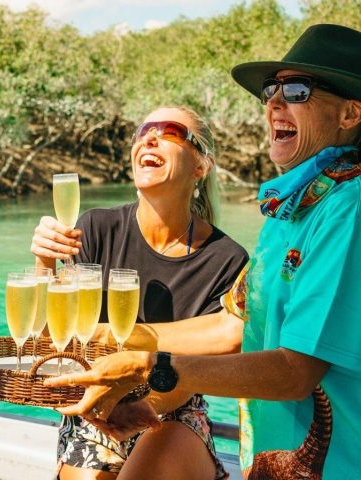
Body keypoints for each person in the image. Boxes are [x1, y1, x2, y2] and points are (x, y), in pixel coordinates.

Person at [45, 23, 361, 479]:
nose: (273, 101)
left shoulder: (348, 207)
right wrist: (110, 340)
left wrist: (157, 369)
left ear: (350, 114)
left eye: (296, 89)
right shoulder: (289, 210)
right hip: (271, 459)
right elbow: (232, 323)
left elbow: (296, 372)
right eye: (271, 90)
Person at [31, 106, 248, 479]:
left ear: (201, 166)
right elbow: (49, 341)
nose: (150, 137)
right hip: (93, 407)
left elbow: (207, 365)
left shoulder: (226, 260)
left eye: (170, 132)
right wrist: (43, 264)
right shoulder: (97, 228)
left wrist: (137, 402)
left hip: (175, 407)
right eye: (144, 130)